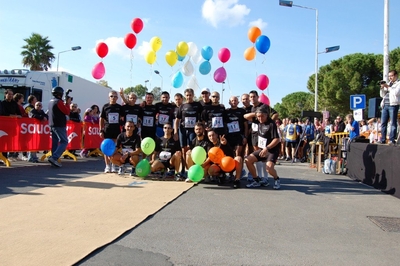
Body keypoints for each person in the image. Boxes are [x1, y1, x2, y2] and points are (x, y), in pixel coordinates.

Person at [244, 106, 281, 189]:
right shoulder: (257, 121)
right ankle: (256, 180)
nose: (260, 118)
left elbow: (277, 139)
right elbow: (245, 116)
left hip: (271, 150)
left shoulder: (271, 124)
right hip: (262, 149)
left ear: (267, 115)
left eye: (262, 116)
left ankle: (276, 179)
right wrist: (257, 113)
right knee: (247, 160)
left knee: (269, 168)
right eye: (258, 116)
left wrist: (267, 148)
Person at [174, 88, 203, 169]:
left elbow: (202, 118)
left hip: (193, 131)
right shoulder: (182, 106)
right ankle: (183, 169)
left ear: (193, 95)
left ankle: (192, 168)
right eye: (187, 95)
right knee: (183, 149)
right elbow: (177, 120)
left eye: (190, 95)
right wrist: (175, 132)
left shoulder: (198, 105)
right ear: (185, 96)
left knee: (192, 149)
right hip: (183, 130)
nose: (189, 97)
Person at [99, 90, 124, 173]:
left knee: (114, 148)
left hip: (116, 130)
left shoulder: (119, 107)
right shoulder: (105, 106)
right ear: (109, 97)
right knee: (106, 148)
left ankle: (114, 165)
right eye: (111, 96)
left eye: (115, 96)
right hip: (107, 130)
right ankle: (107, 166)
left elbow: (123, 117)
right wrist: (101, 130)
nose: (113, 98)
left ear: (117, 98)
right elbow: (101, 119)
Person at [47, 86, 71, 167]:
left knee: (55, 142)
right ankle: (54, 157)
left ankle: (53, 159)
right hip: (59, 125)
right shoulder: (58, 102)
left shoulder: (51, 101)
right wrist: (67, 103)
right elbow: (67, 111)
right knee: (64, 141)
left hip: (52, 124)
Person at [379, 70, 400, 145]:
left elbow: (396, 93)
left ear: (396, 75)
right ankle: (383, 139)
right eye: (389, 76)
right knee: (383, 123)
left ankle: (392, 139)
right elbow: (382, 95)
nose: (390, 78)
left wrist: (388, 87)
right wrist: (382, 88)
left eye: (391, 76)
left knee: (393, 123)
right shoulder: (389, 83)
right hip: (385, 105)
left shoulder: (398, 83)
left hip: (393, 105)